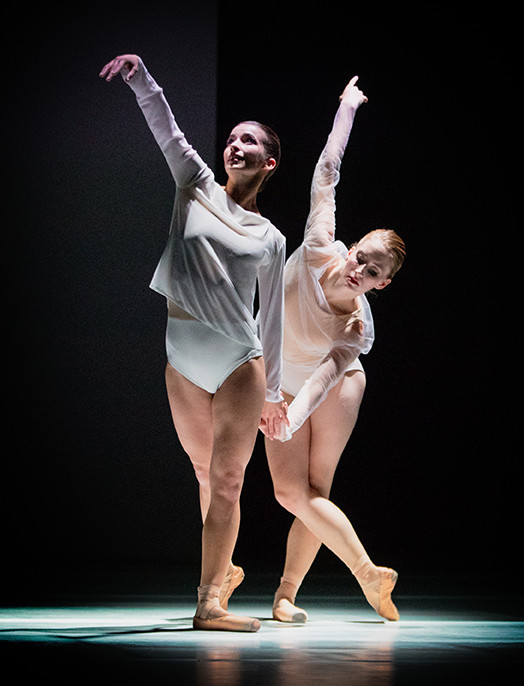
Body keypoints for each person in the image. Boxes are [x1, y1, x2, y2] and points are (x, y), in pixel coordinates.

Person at [100, 53, 289, 632]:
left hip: (238, 361)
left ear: (269, 162)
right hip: (182, 357)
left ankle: (208, 604)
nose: (234, 146)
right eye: (231, 139)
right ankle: (222, 574)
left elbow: (272, 317)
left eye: (248, 141)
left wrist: (274, 393)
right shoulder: (195, 184)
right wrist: (140, 76)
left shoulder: (271, 237)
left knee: (228, 481)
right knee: (205, 477)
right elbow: (168, 129)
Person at [265, 76, 406, 623]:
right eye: (361, 256)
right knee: (291, 493)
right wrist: (346, 109)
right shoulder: (319, 245)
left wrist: (290, 417)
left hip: (334, 387)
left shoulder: (356, 328)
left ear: (381, 284)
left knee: (313, 488)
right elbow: (327, 172)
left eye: (372, 271)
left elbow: (327, 374)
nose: (359, 269)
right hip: (282, 380)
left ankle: (285, 594)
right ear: (352, 247)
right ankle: (369, 574)